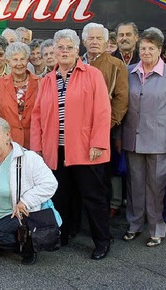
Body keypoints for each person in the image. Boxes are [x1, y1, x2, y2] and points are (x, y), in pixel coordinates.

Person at [30, 29, 112, 260]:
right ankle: (63, 234)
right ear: (54, 51)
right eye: (60, 48)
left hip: (87, 149)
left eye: (69, 48)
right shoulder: (47, 80)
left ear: (78, 51)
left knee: (93, 198)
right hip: (55, 149)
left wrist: (98, 143)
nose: (64, 51)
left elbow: (103, 111)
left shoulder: (92, 74)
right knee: (61, 196)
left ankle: (102, 241)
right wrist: (38, 148)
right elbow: (37, 116)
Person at [122, 28, 166, 247]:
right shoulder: (129, 71)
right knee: (135, 185)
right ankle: (134, 225)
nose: (146, 52)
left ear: (160, 50)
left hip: (160, 141)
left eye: (151, 48)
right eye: (143, 48)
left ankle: (157, 228)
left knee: (156, 187)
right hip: (133, 139)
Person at [0, 116, 58, 264]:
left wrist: (25, 201)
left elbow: (50, 183)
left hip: (19, 214)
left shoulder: (28, 158)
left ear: (8, 135)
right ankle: (12, 238)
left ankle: (29, 246)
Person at [81, 22, 129, 218]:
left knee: (99, 178)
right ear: (83, 41)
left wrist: (106, 125)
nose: (94, 42)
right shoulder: (76, 62)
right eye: (90, 38)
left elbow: (121, 99)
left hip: (103, 132)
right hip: (77, 132)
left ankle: (101, 220)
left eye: (98, 38)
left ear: (106, 42)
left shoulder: (116, 66)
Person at [0, 42, 39, 149]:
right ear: (8, 62)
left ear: (28, 60)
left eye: (22, 59)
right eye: (15, 60)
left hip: (34, 143)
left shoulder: (41, 83)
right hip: (7, 143)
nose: (19, 63)